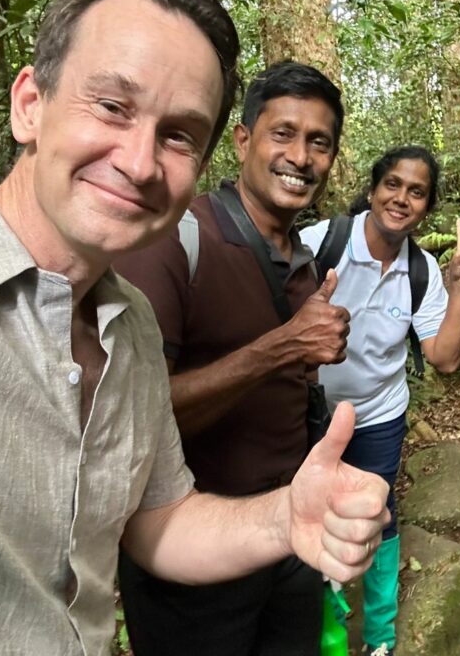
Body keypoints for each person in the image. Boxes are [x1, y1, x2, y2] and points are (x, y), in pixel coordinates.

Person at [0, 0, 388, 656]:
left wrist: (288, 517)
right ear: (30, 103)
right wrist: (282, 349)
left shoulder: (127, 322)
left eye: (177, 135)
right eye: (111, 105)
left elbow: (157, 518)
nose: (141, 161)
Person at [113, 60, 352, 655]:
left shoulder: (304, 259)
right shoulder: (175, 240)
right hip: (190, 556)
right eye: (283, 134)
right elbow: (133, 419)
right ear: (243, 140)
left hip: (288, 536)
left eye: (319, 143)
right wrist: (283, 347)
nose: (301, 157)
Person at [300, 146, 460, 656]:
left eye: (417, 192)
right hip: (308, 412)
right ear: (373, 188)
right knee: (312, 515)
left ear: (427, 208)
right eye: (394, 185)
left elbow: (444, 359)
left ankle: (379, 634)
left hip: (379, 414)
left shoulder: (421, 271)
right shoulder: (320, 244)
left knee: (379, 513)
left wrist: (457, 288)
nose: (401, 198)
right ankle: (330, 629)